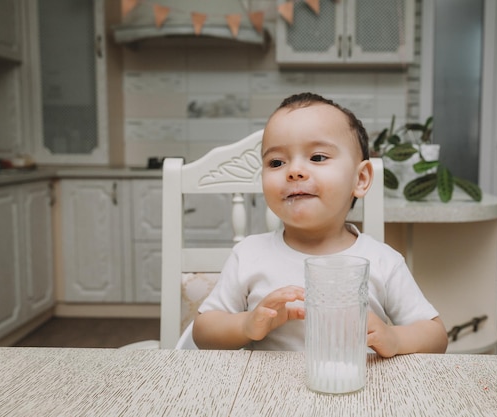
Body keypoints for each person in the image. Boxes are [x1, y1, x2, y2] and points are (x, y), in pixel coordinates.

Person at [192, 92, 448, 357]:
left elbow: (436, 336)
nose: (294, 171)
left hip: (360, 394)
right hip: (269, 395)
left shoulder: (382, 261)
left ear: (360, 179)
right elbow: (203, 332)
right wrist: (246, 325)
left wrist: (394, 338)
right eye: (276, 162)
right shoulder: (248, 254)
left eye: (317, 157)